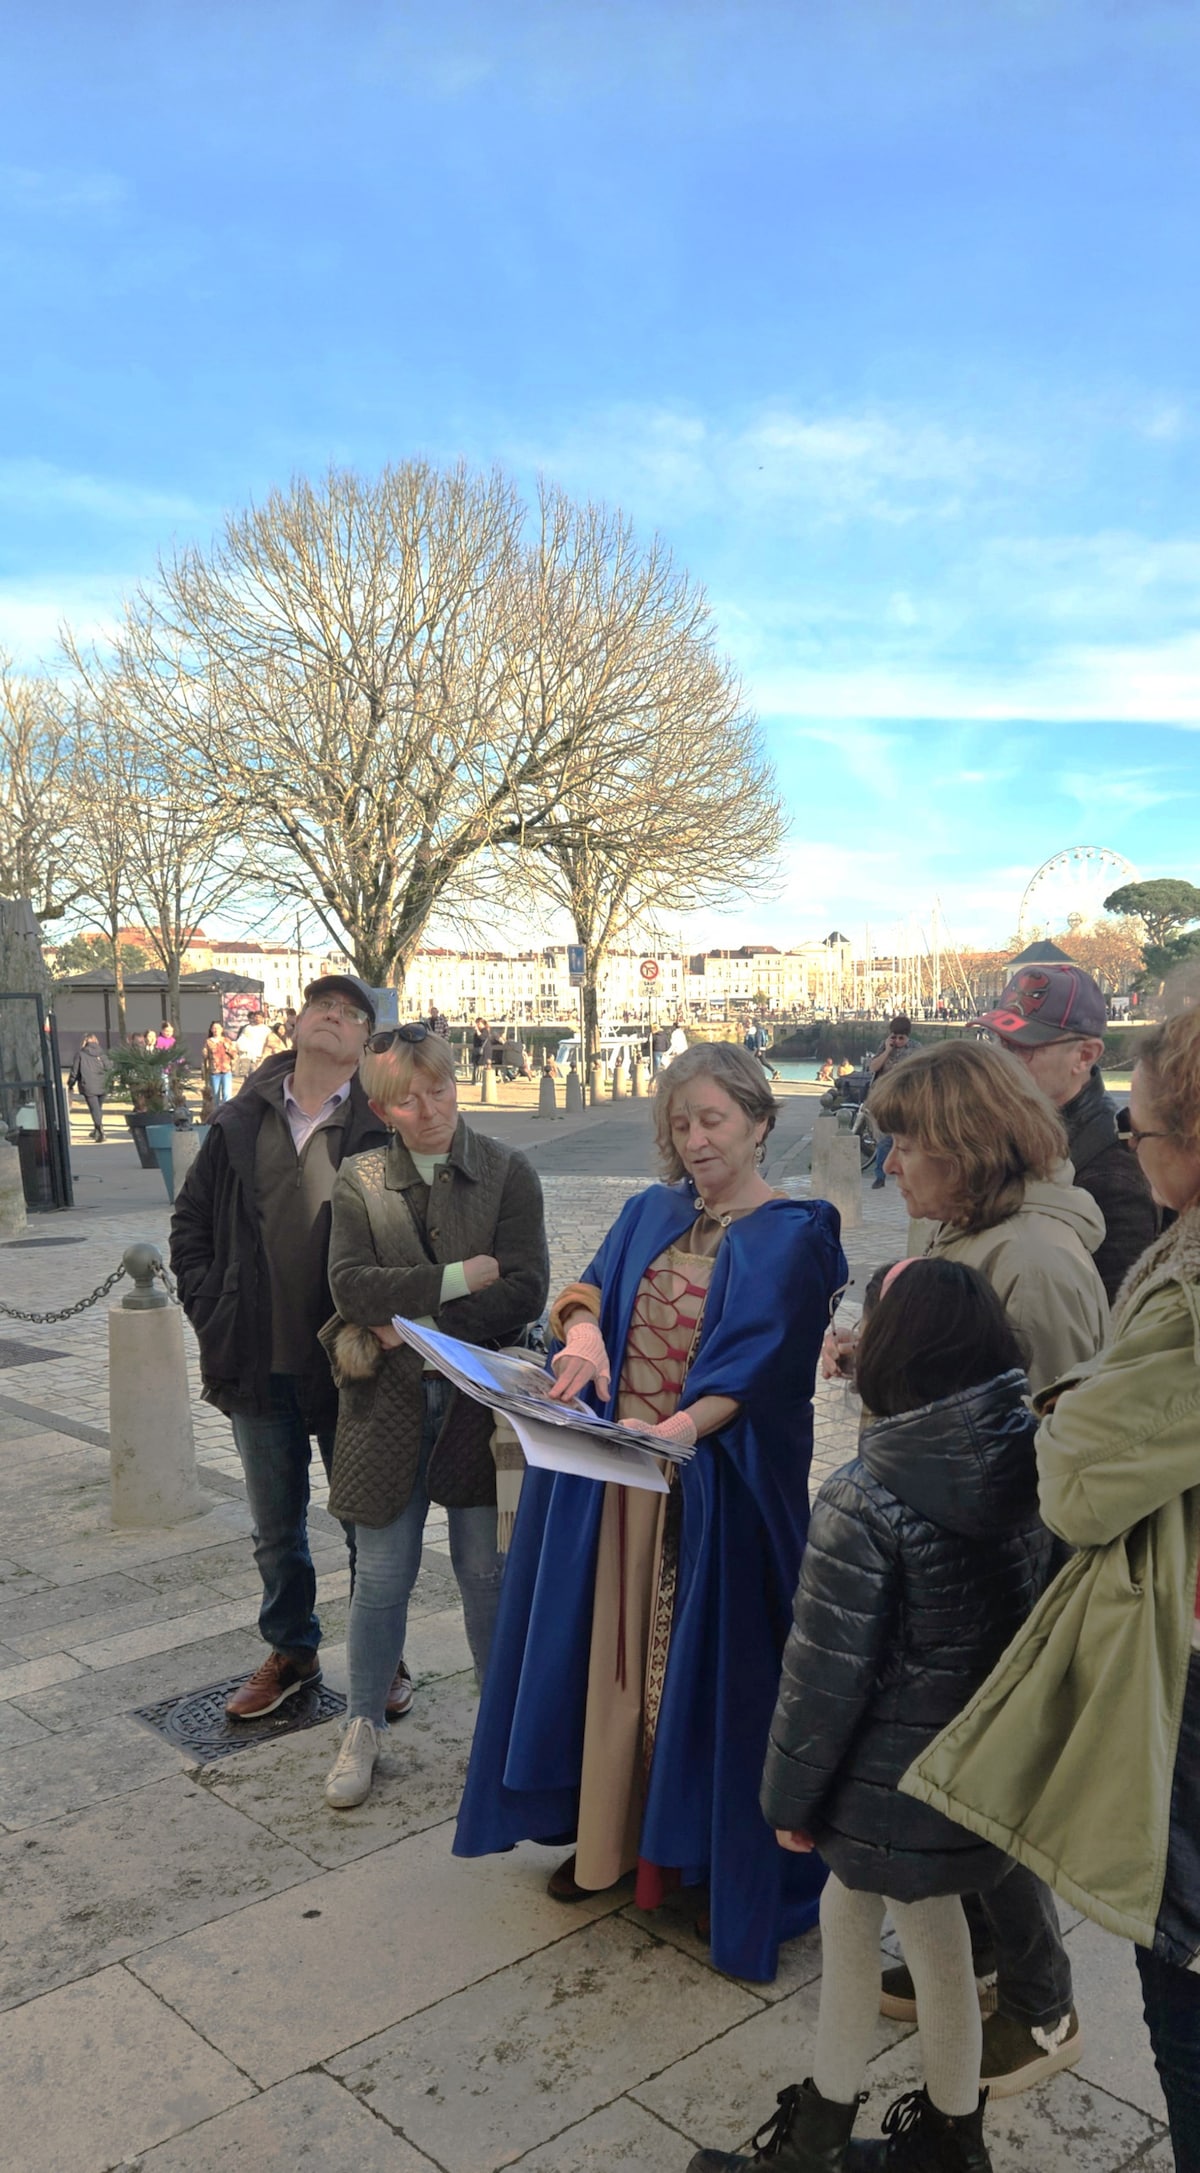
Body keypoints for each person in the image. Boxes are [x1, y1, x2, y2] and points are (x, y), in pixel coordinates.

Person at [454, 1043, 847, 1981]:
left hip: (717, 1496)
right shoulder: (651, 1209)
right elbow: (585, 1288)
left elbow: (760, 1369)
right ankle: (610, 1845)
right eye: (682, 1122)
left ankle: (709, 1865)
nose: (697, 1137)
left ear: (759, 1120)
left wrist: (675, 1431)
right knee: (610, 1663)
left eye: (714, 1118)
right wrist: (582, 1333)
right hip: (615, 1485)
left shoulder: (797, 1231)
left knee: (710, 1681)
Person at [905, 1007, 1200, 2171]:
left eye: (1145, 1127)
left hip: (1171, 1650)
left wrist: (1066, 1422)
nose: (1128, 1146)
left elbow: (1074, 1483)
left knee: (1178, 1975)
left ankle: (1037, 1997)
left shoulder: (1162, 1281)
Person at [691, 1260, 1051, 2173]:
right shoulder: (1034, 1468)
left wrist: (786, 1801)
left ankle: (813, 2144)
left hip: (881, 1789)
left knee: (860, 1930)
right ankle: (951, 2136)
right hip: (976, 1778)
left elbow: (823, 1679)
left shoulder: (865, 1497)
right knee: (934, 1934)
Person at [858, 1038, 1108, 2095]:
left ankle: (1044, 2005)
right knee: (952, 1772)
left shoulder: (1035, 1261)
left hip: (998, 1571)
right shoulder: (965, 1232)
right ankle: (989, 1950)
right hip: (944, 1555)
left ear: (964, 1145)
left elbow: (1057, 1443)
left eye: (908, 1142)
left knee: (984, 1783)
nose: (894, 1164)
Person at [319, 1024, 548, 1808]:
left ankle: (499, 1722)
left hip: (479, 1403)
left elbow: (523, 1292)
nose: (430, 1109)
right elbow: (350, 1288)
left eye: (440, 1089)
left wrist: (411, 1321)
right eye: (408, 1099)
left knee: (486, 1571)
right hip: (384, 1405)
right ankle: (362, 1721)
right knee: (381, 1575)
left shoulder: (508, 1171)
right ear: (382, 1107)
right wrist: (458, 1276)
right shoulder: (361, 1178)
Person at [170, 976, 389, 1719]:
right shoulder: (240, 1118)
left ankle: (379, 1655)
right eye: (323, 1005)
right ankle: (292, 1650)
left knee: (367, 1523)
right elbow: (190, 1222)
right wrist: (210, 1306)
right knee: (275, 1529)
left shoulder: (378, 1126)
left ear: (364, 1041)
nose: (334, 1015)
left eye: (352, 1013)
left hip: (354, 1365)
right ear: (297, 1022)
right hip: (255, 1359)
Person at [974, 963, 1157, 1302]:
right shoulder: (1009, 1128)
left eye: (1022, 1048)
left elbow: (1113, 1319)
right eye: (1000, 1041)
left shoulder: (1112, 1170)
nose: (1001, 1060)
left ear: (1085, 1055)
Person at [867, 1015, 913, 1191]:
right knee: (885, 1139)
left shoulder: (916, 1049)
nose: (898, 1041)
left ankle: (907, 1175)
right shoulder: (885, 1046)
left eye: (902, 1038)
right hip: (886, 1098)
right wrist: (887, 1050)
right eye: (895, 1036)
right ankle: (880, 1176)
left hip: (907, 1098)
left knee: (907, 1138)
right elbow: (873, 1067)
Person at [68, 1033, 108, 1141]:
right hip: (103, 1084)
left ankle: (100, 1131)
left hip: (89, 1086)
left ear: (84, 1042)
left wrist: (70, 1084)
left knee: (95, 1109)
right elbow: (109, 1067)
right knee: (98, 1109)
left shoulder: (80, 1054)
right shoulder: (102, 1053)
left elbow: (74, 1072)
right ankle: (96, 1130)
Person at [201, 1019, 234, 1112]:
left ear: (222, 1029)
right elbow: (204, 1057)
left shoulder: (226, 1040)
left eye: (218, 1028)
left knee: (227, 1094)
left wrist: (228, 1049)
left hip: (226, 1070)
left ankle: (226, 1113)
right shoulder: (208, 1042)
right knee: (215, 1095)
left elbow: (234, 1055)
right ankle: (215, 1113)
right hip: (214, 1071)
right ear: (211, 1030)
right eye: (214, 1028)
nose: (216, 1030)